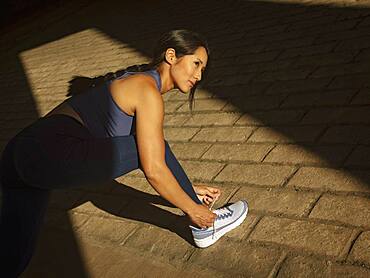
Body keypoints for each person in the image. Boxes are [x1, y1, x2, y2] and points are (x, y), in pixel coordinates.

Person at [0, 29, 248, 277]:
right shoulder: (146, 89)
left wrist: (187, 187)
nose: (199, 75)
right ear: (171, 56)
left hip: (19, 154)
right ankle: (206, 226)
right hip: (45, 151)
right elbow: (153, 166)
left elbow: (150, 154)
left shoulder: (136, 79)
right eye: (196, 64)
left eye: (203, 69)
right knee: (152, 147)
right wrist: (193, 209)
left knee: (13, 257)